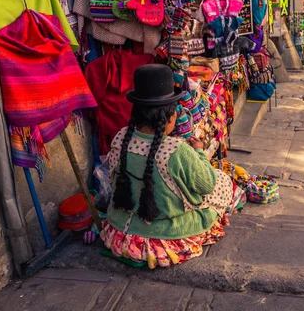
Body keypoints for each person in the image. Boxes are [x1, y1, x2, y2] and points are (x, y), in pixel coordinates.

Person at [101, 64, 235, 269]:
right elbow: (207, 185)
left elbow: (113, 178)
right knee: (222, 184)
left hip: (120, 232)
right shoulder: (176, 150)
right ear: (170, 118)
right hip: (163, 240)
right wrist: (199, 152)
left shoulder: (120, 137)